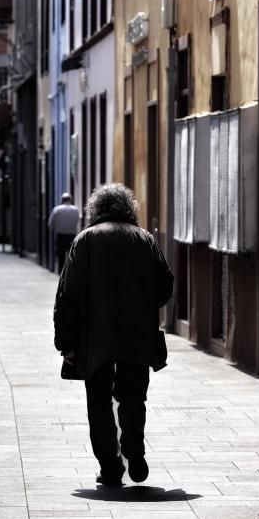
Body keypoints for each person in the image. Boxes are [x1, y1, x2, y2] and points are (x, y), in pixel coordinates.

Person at [53, 183, 173, 487]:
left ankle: (110, 465)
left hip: (94, 336)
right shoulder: (144, 239)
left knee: (99, 400)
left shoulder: (85, 241)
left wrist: (65, 341)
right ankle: (134, 448)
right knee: (133, 394)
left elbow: (68, 294)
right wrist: (143, 305)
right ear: (128, 208)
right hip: (137, 333)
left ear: (95, 209)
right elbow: (165, 285)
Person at [48, 193, 81, 274]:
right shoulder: (76, 210)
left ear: (62, 200)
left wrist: (57, 228)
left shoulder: (57, 210)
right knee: (71, 254)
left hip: (60, 235)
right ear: (70, 199)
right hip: (72, 235)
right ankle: (71, 272)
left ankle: (60, 271)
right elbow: (77, 221)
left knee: (60, 254)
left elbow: (50, 224)